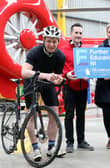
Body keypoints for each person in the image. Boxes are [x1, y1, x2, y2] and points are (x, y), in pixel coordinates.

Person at [21, 26, 65, 161]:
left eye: (54, 41)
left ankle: (51, 147)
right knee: (31, 115)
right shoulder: (35, 52)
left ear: (58, 42)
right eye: (49, 41)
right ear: (44, 40)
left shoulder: (60, 56)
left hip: (47, 83)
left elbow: (56, 77)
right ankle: (35, 148)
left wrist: (59, 79)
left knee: (54, 113)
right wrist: (45, 75)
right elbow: (24, 72)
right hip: (32, 82)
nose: (52, 44)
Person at [62, 23, 94, 153]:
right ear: (71, 34)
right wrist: (66, 75)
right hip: (69, 87)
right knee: (69, 115)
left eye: (80, 33)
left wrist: (90, 75)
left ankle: (81, 141)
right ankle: (69, 142)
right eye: (76, 33)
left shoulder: (86, 51)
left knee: (81, 115)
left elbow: (92, 67)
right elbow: (59, 69)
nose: (78, 35)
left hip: (82, 88)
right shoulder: (63, 50)